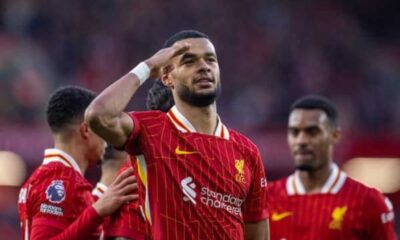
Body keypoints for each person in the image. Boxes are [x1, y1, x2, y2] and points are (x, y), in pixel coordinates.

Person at [85, 30, 269, 240]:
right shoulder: (151, 130)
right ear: (167, 77)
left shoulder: (247, 151)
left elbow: (258, 236)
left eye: (211, 59)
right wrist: (148, 66)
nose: (204, 66)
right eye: (189, 61)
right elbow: (98, 116)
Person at [267, 95, 397, 240]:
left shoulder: (369, 202)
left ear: (335, 135)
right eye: (294, 132)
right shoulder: (265, 200)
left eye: (312, 132)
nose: (301, 140)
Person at [18, 86, 138, 240]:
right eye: (99, 128)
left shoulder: (55, 176)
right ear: (86, 130)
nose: (105, 138)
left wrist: (103, 198)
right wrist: (97, 211)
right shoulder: (59, 179)